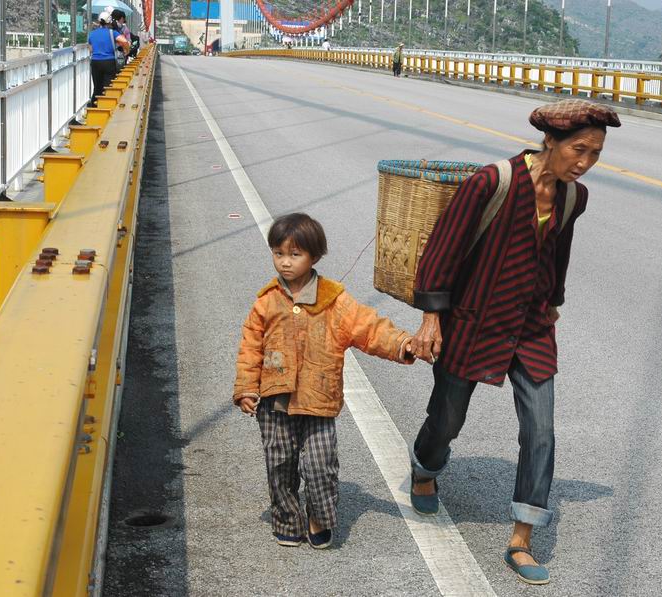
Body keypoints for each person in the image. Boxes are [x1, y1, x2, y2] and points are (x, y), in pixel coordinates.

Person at [407, 99, 621, 585]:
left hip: (530, 325)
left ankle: (522, 537)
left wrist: (554, 301)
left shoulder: (573, 196)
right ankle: (425, 467)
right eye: (579, 150)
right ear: (551, 141)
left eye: (595, 153)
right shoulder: (492, 182)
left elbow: (558, 252)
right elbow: (444, 248)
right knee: (448, 416)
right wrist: (431, 320)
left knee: (541, 429)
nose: (585, 162)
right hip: (474, 318)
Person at [233, 213, 415, 548]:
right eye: (278, 253)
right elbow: (250, 346)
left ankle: (319, 516)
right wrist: (246, 388)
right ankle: (287, 517)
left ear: (314, 257)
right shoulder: (267, 301)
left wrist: (402, 343)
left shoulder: (334, 301)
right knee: (280, 463)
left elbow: (369, 328)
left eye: (294, 254)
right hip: (274, 401)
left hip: (319, 399)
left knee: (319, 465)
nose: (285, 263)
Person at [87, 11, 129, 106]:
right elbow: (125, 41)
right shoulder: (112, 32)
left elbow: (90, 49)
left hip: (95, 62)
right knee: (108, 87)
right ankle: (106, 106)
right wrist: (127, 51)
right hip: (108, 62)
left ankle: (94, 107)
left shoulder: (92, 34)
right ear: (109, 22)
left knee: (97, 86)